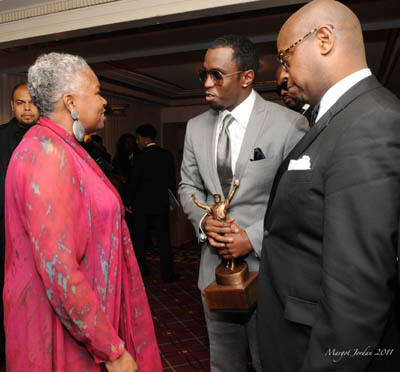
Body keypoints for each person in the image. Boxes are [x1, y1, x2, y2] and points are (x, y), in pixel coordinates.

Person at [257, 1, 400, 371]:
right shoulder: (339, 118)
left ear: (323, 39)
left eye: (285, 57)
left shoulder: (370, 122)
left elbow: (357, 289)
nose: (283, 74)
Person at [3, 52, 162, 372]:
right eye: (98, 90)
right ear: (71, 101)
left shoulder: (62, 145)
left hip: (81, 323)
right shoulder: (47, 152)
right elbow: (58, 268)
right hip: (63, 332)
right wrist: (111, 350)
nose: (104, 100)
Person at [178, 34, 308, 372]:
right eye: (203, 75)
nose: (207, 83)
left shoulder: (289, 124)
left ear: (247, 77)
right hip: (213, 271)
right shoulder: (194, 128)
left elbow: (301, 200)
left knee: (272, 361)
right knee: (224, 363)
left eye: (217, 75)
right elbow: (187, 185)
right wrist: (204, 222)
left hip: (270, 271)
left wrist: (251, 237)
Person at [0, 82, 39, 364]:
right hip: (5, 230)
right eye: (20, 102)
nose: (27, 108)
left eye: (32, 102)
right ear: (12, 105)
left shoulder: (53, 136)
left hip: (43, 232)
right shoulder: (0, 137)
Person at [127, 123, 179, 282]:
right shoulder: (167, 155)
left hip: (141, 206)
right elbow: (172, 180)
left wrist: (128, 202)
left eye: (138, 139)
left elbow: (133, 182)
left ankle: (141, 271)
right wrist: (172, 202)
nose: (137, 142)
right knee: (164, 240)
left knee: (140, 241)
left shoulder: (139, 157)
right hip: (161, 204)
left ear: (145, 139)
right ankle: (168, 274)